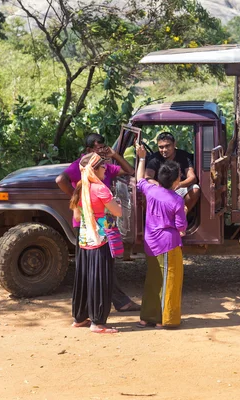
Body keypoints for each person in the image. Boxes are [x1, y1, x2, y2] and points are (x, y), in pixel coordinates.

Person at [55, 133, 140, 312]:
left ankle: (91, 308)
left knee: (95, 266)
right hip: (92, 226)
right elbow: (60, 179)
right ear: (88, 150)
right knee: (96, 266)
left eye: (103, 146)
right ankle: (105, 305)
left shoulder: (104, 166)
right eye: (97, 147)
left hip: (99, 225)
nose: (102, 150)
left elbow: (130, 171)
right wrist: (78, 199)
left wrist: (115, 155)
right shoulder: (85, 167)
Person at [135, 144, 187, 329]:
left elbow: (139, 179)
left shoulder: (151, 190)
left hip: (151, 242)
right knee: (169, 280)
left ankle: (146, 317)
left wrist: (142, 158)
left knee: (153, 279)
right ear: (176, 180)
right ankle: (165, 319)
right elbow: (181, 227)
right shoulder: (177, 200)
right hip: (168, 244)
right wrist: (184, 213)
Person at [70, 153, 122, 334]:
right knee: (100, 279)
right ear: (93, 170)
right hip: (100, 239)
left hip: (84, 239)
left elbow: (77, 215)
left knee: (84, 277)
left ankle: (79, 317)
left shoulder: (80, 187)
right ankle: (98, 323)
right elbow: (118, 212)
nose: (105, 168)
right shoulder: (101, 189)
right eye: (102, 166)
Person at [145, 132, 200, 214]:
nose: (164, 150)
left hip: (179, 188)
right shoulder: (154, 159)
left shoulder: (183, 156)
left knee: (195, 189)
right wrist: (161, 187)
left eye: (167, 146)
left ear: (174, 144)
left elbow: (192, 177)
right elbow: (148, 177)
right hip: (160, 190)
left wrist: (178, 185)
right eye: (161, 147)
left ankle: (181, 215)